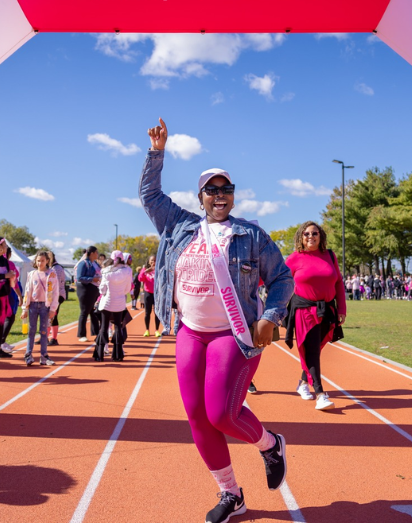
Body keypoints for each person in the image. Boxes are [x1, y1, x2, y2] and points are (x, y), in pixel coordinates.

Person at [140, 118, 294, 523]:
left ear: (233, 196)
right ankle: (231, 494)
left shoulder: (251, 235)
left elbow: (281, 278)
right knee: (196, 416)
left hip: (236, 334)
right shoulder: (180, 225)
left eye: (227, 189)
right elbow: (149, 193)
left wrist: (272, 316)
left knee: (222, 414)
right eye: (213, 190)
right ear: (201, 196)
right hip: (191, 333)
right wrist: (157, 152)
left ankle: (269, 444)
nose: (220, 195)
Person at [284, 222, 346, 411]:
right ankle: (320, 394)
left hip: (326, 310)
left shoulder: (330, 256)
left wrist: (341, 308)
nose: (311, 236)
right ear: (300, 237)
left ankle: (303, 383)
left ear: (321, 236)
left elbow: (338, 283)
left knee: (315, 350)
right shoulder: (294, 258)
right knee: (311, 350)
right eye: (306, 234)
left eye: (315, 233)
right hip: (304, 311)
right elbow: (279, 279)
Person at [20, 251, 58, 366]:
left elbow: (55, 292)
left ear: (47, 261)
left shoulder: (52, 274)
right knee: (31, 331)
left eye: (42, 260)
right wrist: (24, 308)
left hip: (45, 306)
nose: (40, 263)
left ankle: (44, 356)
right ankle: (28, 355)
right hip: (32, 305)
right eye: (38, 260)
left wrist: (53, 308)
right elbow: (27, 291)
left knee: (43, 331)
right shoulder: (31, 274)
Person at [94, 250, 133, 361]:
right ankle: (118, 354)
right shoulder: (127, 271)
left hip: (107, 303)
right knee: (118, 327)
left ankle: (100, 354)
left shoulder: (106, 271)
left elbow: (102, 290)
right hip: (119, 304)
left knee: (104, 327)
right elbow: (127, 288)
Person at [0, 246, 23, 354]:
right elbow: (14, 281)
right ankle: (1, 342)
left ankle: (1, 342)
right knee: (10, 317)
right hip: (8, 293)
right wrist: (19, 295)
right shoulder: (10, 264)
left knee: (2, 318)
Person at [75, 246, 101, 342]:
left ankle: (96, 333)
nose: (97, 254)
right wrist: (92, 279)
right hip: (85, 289)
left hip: (95, 289)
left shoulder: (96, 264)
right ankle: (82, 335)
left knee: (94, 311)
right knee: (84, 311)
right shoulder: (83, 263)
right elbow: (80, 277)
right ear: (92, 253)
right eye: (96, 252)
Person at [47, 251, 68, 345]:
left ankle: (54, 338)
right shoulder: (53, 268)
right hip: (53, 295)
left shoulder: (56, 269)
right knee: (48, 316)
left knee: (52, 316)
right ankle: (45, 337)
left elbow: (55, 284)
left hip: (57, 295)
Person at [138, 255, 161, 337]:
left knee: (157, 313)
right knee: (147, 313)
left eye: (155, 260)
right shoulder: (145, 269)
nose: (153, 262)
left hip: (157, 294)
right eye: (151, 260)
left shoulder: (159, 269)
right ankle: (147, 330)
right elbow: (140, 279)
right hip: (148, 293)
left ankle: (156, 330)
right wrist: (146, 271)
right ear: (148, 261)